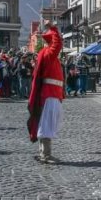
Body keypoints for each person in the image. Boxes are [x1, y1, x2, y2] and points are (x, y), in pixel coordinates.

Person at [27, 20, 64, 163]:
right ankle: (46, 155)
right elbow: (58, 44)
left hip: (50, 94)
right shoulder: (49, 53)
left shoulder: (46, 53)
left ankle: (43, 153)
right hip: (50, 94)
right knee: (47, 124)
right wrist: (53, 28)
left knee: (45, 123)